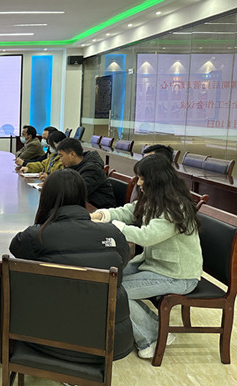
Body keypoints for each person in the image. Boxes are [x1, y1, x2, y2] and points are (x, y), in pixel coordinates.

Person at [9, 169, 133, 361]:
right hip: (110, 343)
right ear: (82, 196)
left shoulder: (37, 235)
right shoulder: (113, 233)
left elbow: (16, 249)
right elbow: (122, 262)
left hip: (50, 339)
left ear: (46, 198)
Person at [90, 154, 202, 359]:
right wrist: (102, 215)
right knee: (108, 281)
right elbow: (129, 211)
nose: (139, 183)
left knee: (116, 291)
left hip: (178, 275)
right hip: (154, 266)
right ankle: (154, 327)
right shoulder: (156, 198)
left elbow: (147, 236)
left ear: (156, 179)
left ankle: (152, 337)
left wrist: (115, 226)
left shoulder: (176, 206)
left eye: (142, 178)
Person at [56, 137, 116, 209]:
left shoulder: (92, 169)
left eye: (61, 156)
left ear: (72, 154)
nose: (60, 160)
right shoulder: (73, 166)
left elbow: (78, 192)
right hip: (85, 205)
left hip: (100, 210)